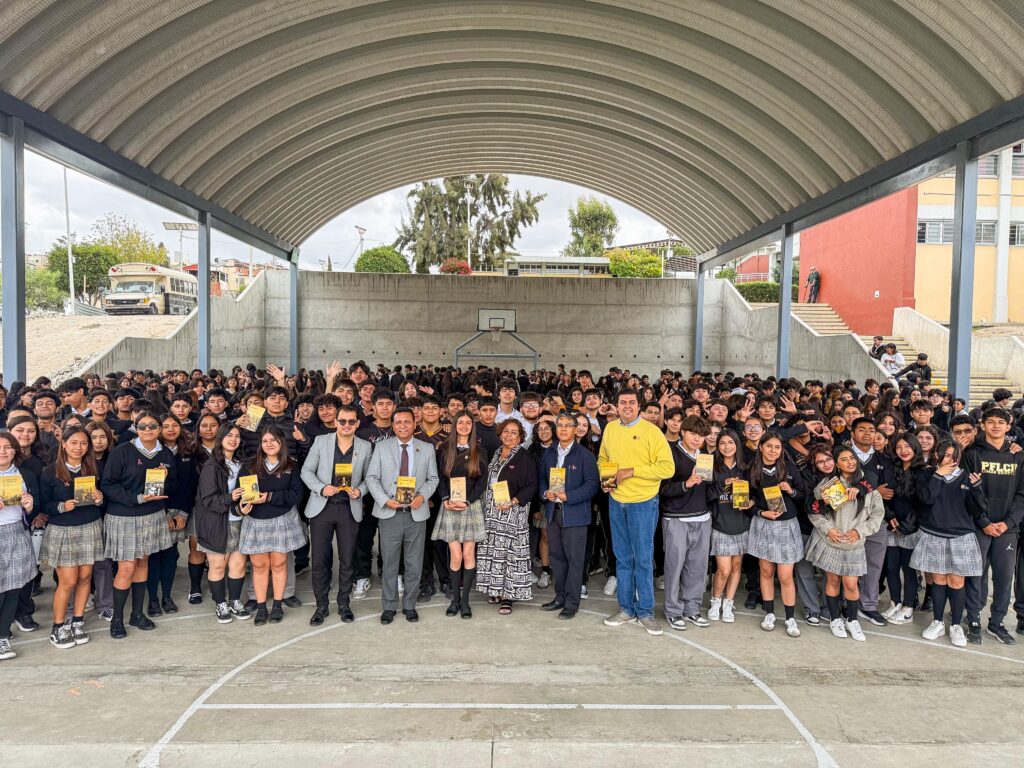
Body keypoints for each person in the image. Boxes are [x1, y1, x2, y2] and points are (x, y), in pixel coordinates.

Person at [599, 388, 675, 636]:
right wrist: (606, 478)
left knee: (642, 558)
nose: (627, 406)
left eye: (632, 402)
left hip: (642, 502)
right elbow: (603, 458)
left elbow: (667, 468)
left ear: (639, 406)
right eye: (623, 402)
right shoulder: (610, 429)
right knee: (622, 557)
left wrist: (632, 471)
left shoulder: (652, 432)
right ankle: (626, 608)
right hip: (616, 500)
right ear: (617, 405)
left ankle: (645, 611)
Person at [99, 412, 177, 639]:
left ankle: (137, 614)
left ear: (159, 429)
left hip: (152, 515)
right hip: (125, 516)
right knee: (126, 567)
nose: (148, 429)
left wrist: (165, 481)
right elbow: (108, 485)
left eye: (152, 425)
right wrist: (137, 498)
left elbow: (172, 484)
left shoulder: (165, 453)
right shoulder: (122, 451)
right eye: (142, 426)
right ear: (136, 428)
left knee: (143, 562)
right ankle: (117, 620)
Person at [365, 406, 439, 624]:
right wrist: (384, 500)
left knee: (414, 563)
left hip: (416, 514)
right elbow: (371, 478)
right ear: (393, 425)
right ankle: (389, 606)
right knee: (389, 562)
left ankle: (409, 605)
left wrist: (422, 496)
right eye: (398, 422)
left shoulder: (426, 448)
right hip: (390, 513)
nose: (403, 426)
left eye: (407, 422)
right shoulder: (381, 447)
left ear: (414, 424)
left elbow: (433, 479)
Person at [300, 404, 371, 625]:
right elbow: (306, 471)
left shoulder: (365, 446)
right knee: (320, 560)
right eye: (342, 421)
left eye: (351, 421)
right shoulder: (321, 442)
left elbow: (371, 477)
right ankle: (321, 605)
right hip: (322, 507)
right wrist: (321, 488)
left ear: (357, 423)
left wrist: (360, 491)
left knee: (347, 559)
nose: (346, 425)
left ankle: (343, 604)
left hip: (349, 508)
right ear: (336, 422)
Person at [806, 446, 884, 641]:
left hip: (853, 544)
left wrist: (859, 532)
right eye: (844, 459)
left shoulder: (867, 485)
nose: (850, 462)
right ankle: (835, 619)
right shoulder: (829, 485)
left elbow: (877, 515)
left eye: (852, 458)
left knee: (851, 583)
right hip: (832, 541)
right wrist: (829, 530)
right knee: (832, 581)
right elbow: (815, 513)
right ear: (837, 464)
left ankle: (852, 620)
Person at [912, 440, 985, 648]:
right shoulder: (928, 474)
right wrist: (938, 475)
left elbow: (979, 510)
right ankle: (937, 622)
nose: (949, 459)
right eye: (945, 454)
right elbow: (926, 499)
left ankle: (955, 625)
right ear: (937, 454)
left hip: (961, 535)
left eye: (954, 456)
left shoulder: (968, 477)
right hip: (934, 533)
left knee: (956, 581)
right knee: (938, 579)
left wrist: (977, 488)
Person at [39, 426, 105, 649]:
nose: (79, 447)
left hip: (90, 525)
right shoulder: (50, 472)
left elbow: (103, 498)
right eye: (74, 442)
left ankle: (77, 621)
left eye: (83, 443)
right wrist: (60, 506)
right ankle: (58, 626)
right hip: (63, 529)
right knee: (68, 581)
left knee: (85, 578)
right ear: (64, 444)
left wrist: (99, 498)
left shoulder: (93, 467)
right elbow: (44, 504)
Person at [962, 407, 1024, 645]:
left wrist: (1008, 523)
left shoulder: (1018, 455)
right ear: (983, 425)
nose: (996, 425)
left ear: (1008, 427)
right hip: (979, 526)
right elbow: (967, 492)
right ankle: (973, 618)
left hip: (1008, 529)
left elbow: (1022, 494)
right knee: (975, 574)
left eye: (1001, 422)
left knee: (1004, 577)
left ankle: (997, 623)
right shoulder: (972, 453)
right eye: (991, 422)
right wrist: (984, 522)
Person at [239, 426, 306, 625]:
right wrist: (243, 503)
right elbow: (242, 493)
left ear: (281, 442)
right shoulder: (250, 465)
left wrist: (269, 496)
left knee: (279, 564)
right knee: (259, 566)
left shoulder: (291, 465)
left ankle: (277, 605)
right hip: (256, 521)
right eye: (265, 441)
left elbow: (297, 495)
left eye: (273, 440)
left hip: (282, 519)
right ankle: (261, 608)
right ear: (260, 444)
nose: (269, 444)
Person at [537, 413, 599, 620]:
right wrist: (545, 493)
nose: (563, 429)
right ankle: (560, 597)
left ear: (575, 429)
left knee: (574, 561)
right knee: (557, 558)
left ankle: (572, 603)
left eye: (568, 426)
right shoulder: (549, 452)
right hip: (553, 513)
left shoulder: (585, 455)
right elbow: (542, 478)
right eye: (560, 425)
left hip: (575, 515)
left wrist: (569, 496)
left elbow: (592, 485)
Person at [747, 431, 805, 637]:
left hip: (786, 525)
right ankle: (769, 613)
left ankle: (790, 618)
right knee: (765, 572)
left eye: (777, 447)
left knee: (785, 575)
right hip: (764, 524)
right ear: (761, 447)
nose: (773, 450)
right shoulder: (752, 469)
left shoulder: (789, 468)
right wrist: (760, 512)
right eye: (769, 446)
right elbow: (745, 501)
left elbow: (803, 496)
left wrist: (791, 491)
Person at [476, 419, 538, 615]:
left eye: (514, 432)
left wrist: (513, 501)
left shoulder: (524, 457)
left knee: (510, 555)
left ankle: (508, 596)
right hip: (492, 513)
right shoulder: (496, 454)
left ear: (520, 437)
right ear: (500, 433)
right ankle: (495, 590)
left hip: (512, 513)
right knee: (494, 553)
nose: (509, 435)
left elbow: (531, 485)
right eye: (506, 431)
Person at [659, 414, 714, 631]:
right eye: (692, 433)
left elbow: (709, 490)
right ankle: (673, 611)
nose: (696, 438)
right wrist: (686, 484)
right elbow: (662, 489)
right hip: (676, 519)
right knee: (674, 567)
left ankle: (692, 609)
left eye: (701, 435)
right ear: (682, 432)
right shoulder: (670, 453)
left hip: (702, 518)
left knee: (698, 568)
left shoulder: (706, 456)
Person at [433, 411, 489, 618]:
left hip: (470, 506)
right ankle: (454, 600)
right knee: (456, 556)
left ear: (472, 427)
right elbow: (440, 478)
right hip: (450, 505)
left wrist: (468, 500)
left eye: (468, 423)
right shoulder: (444, 448)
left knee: (468, 555)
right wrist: (445, 498)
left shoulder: (480, 450)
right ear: (455, 425)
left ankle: (465, 602)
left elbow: (482, 481)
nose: (464, 426)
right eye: (460, 422)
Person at [194, 423, 250, 624]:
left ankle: (234, 601)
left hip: (240, 520)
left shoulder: (242, 463)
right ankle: (220, 604)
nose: (233, 439)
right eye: (229, 436)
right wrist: (230, 497)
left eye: (237, 436)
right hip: (217, 523)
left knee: (238, 564)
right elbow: (208, 500)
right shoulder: (211, 466)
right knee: (218, 565)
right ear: (220, 438)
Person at [0, 432, 38, 660]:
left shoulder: (25, 474)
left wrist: (30, 506)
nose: (2, 452)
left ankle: (3, 636)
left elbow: (33, 511)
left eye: (7, 447)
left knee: (13, 587)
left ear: (15, 450)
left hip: (17, 532)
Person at [708, 429, 749, 623]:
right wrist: (724, 483)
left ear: (737, 445)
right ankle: (715, 601)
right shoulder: (711, 466)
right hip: (720, 524)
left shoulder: (745, 467)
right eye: (722, 443)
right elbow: (705, 495)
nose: (727, 447)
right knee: (723, 569)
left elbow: (755, 493)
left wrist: (752, 503)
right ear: (717, 446)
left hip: (741, 523)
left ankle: (728, 603)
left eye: (731, 442)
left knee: (736, 566)